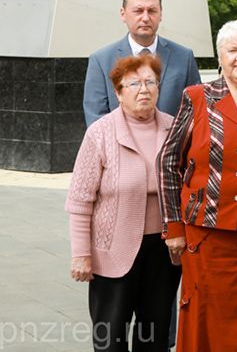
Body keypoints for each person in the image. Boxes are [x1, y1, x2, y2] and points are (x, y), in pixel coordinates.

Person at [157, 21, 237, 352]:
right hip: (205, 239)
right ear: (220, 56)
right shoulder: (197, 98)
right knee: (203, 320)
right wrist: (173, 227)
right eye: (232, 50)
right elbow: (168, 162)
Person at [67, 54, 181, 351]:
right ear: (118, 92)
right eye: (134, 83)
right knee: (110, 338)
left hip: (163, 252)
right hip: (112, 254)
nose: (144, 89)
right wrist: (81, 254)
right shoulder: (100, 133)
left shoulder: (175, 129)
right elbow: (80, 200)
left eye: (150, 82)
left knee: (155, 337)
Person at [84, 0, 201, 127]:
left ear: (161, 15)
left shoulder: (184, 57)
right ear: (123, 14)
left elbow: (197, 113)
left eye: (152, 11)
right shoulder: (101, 61)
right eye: (138, 11)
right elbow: (96, 120)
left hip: (174, 147)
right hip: (121, 147)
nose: (145, 18)